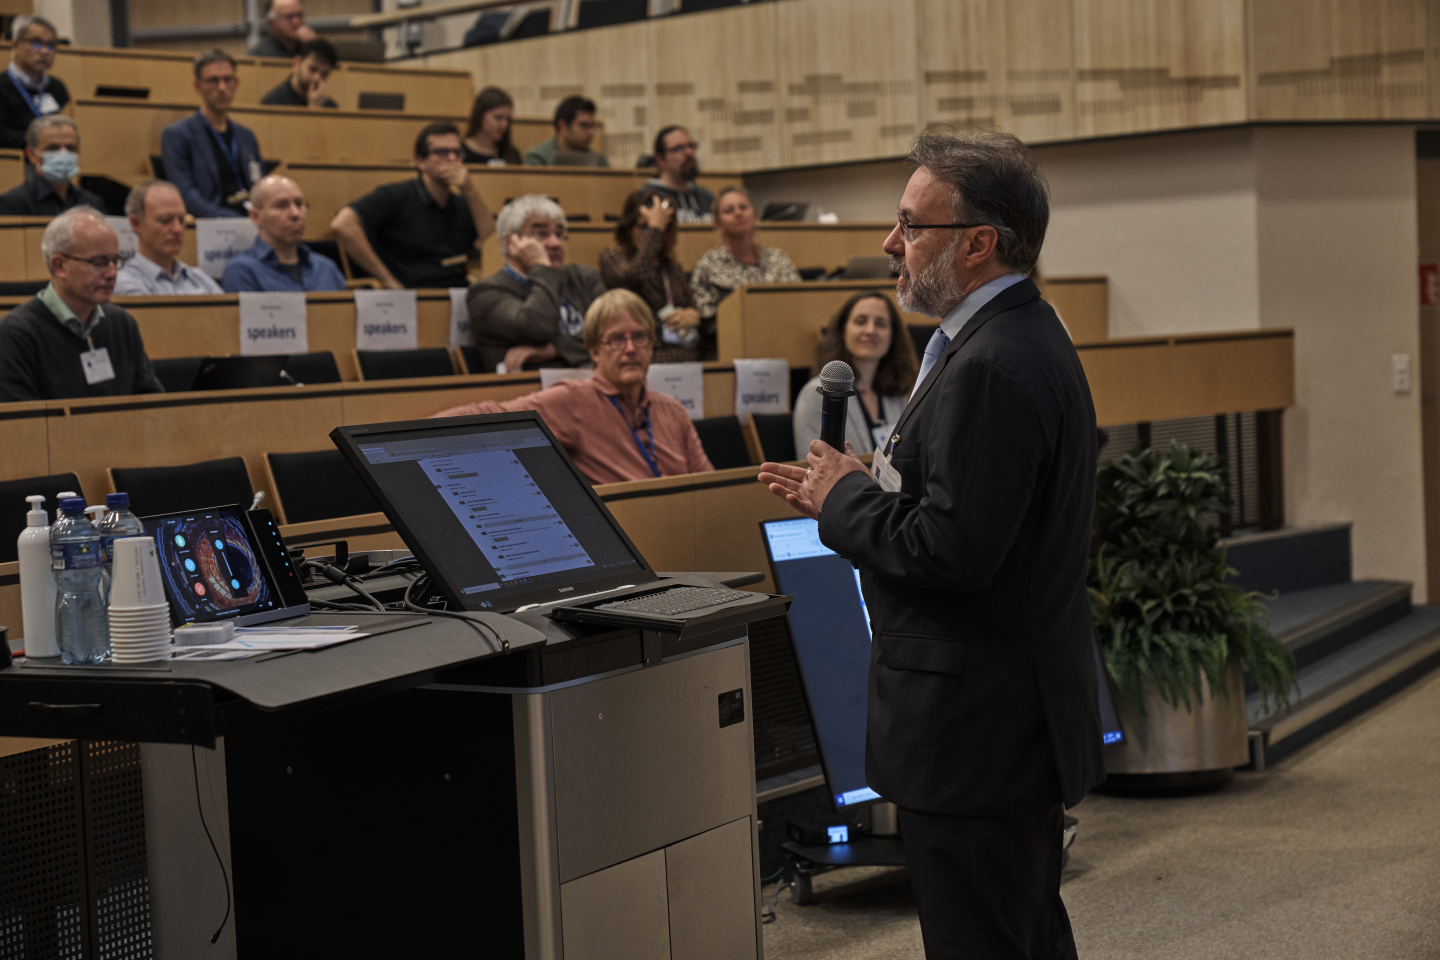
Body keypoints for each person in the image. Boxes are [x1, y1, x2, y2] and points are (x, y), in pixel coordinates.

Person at [758, 130, 1103, 960]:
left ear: (979, 242)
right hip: (1000, 720)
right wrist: (860, 490)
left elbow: (953, 550)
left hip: (973, 732)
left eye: (912, 225)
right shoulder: (1014, 334)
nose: (890, 244)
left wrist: (840, 500)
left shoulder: (991, 362)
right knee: (1020, 936)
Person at [432, 289, 712, 485]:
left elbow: (708, 485)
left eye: (639, 337)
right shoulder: (574, 399)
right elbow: (496, 414)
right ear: (593, 351)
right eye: (616, 339)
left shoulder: (672, 410)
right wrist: (411, 435)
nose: (630, 349)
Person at [0, 207, 164, 401]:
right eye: (98, 262)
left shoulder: (122, 324)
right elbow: (24, 425)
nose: (112, 273)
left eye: (115, 261)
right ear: (60, 266)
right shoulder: (16, 334)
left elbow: (153, 406)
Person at [331, 122, 495, 290]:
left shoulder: (463, 202)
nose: (453, 159)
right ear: (420, 162)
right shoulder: (396, 196)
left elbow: (491, 245)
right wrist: (387, 280)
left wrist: (470, 190)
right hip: (409, 296)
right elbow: (343, 223)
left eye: (457, 153)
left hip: (456, 294)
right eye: (442, 152)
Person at [468, 195, 606, 373]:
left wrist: (555, 350)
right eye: (542, 234)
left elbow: (613, 331)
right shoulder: (485, 293)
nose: (556, 243)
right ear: (511, 243)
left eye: (559, 234)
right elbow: (537, 328)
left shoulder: (582, 277)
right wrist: (540, 266)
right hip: (531, 393)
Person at [792, 291, 917, 456]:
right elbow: (813, 464)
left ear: (892, 336)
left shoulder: (899, 392)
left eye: (880, 324)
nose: (870, 330)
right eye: (860, 321)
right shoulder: (817, 394)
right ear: (843, 331)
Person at [598, 190, 706, 362]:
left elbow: (692, 308)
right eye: (644, 226)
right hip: (642, 359)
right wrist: (655, 228)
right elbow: (631, 276)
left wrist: (693, 316)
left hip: (684, 359)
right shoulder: (612, 257)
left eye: (664, 226)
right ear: (628, 229)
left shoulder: (672, 268)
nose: (654, 233)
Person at [162, 50, 264, 219]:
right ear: (197, 86)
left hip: (252, 219)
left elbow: (260, 184)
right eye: (213, 81)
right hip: (211, 223)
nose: (222, 87)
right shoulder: (178, 135)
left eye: (227, 79)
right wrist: (235, 220)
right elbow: (187, 196)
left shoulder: (246, 135)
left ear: (236, 83)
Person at [689, 186, 800, 320]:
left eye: (743, 207)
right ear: (718, 222)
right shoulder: (708, 265)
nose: (738, 213)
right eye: (729, 211)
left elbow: (798, 301)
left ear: (755, 215)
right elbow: (705, 318)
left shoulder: (777, 258)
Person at [221, 174, 345, 292]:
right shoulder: (242, 271)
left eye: (299, 204)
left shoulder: (326, 268)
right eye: (281, 205)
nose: (295, 214)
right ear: (255, 217)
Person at [114, 180, 223, 296]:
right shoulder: (126, 281)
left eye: (181, 220)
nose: (178, 229)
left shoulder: (199, 277)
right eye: (165, 220)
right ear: (136, 224)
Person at [0, 116, 106, 216]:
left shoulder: (93, 204)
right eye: (53, 148)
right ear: (32, 155)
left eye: (70, 148)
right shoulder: (12, 204)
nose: (63, 154)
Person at [0, 16, 67, 150]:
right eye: (36, 43)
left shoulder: (57, 88)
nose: (44, 51)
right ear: (15, 45)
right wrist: (40, 141)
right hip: (13, 164)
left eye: (50, 45)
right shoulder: (2, 86)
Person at [644, 125, 713, 223]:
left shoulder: (706, 196)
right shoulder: (649, 198)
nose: (689, 152)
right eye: (678, 148)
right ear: (660, 160)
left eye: (691, 146)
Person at [523, 96, 608, 167]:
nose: (591, 132)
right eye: (584, 125)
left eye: (592, 126)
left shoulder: (599, 161)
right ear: (562, 126)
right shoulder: (538, 157)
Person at [260, 37, 338, 109]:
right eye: (312, 69)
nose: (317, 78)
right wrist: (314, 108)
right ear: (297, 64)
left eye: (324, 74)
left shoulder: (330, 107)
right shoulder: (273, 103)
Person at [461, 86, 521, 165]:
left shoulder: (512, 154)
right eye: (498, 117)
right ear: (480, 116)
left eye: (508, 119)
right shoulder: (460, 151)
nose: (504, 124)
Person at [249, 0, 316, 59]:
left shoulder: (311, 47)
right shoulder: (259, 55)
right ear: (271, 22)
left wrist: (316, 45)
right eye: (289, 17)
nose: (296, 21)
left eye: (299, 15)